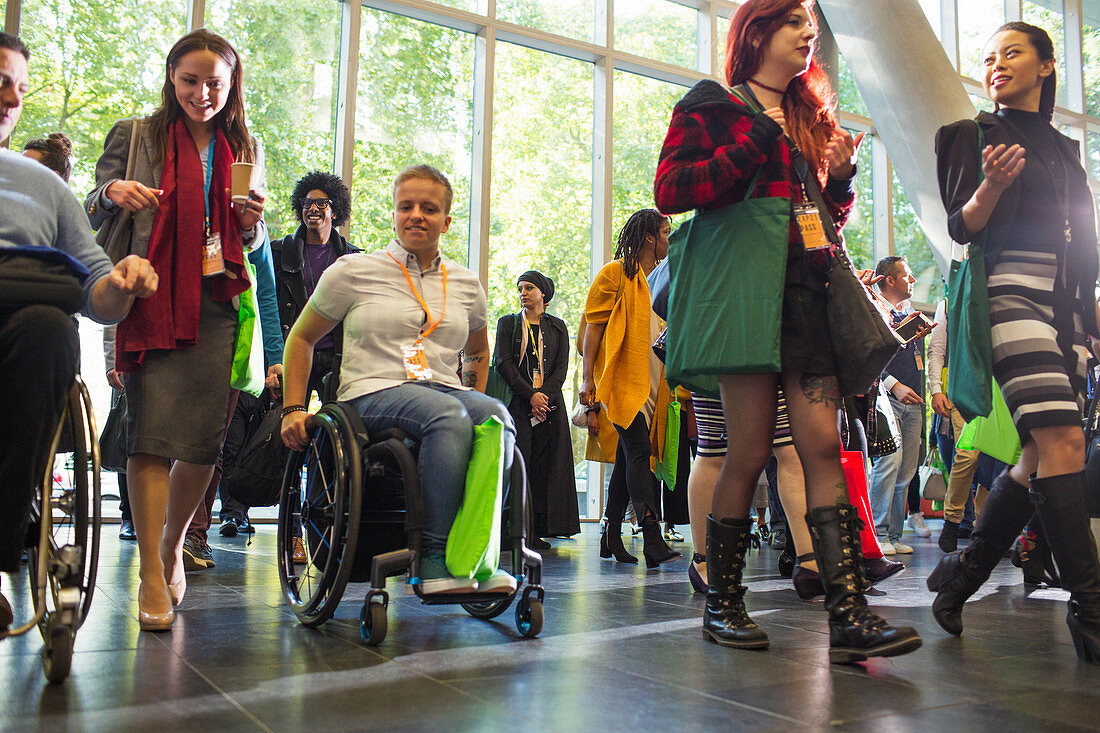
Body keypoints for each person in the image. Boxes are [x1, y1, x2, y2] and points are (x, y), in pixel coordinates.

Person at [654, 0, 920, 662]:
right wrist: (753, 139)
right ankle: (723, 602)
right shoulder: (712, 104)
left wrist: (845, 178)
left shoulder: (808, 116)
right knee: (745, 453)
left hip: (807, 296)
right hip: (745, 294)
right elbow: (671, 189)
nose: (809, 34)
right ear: (759, 30)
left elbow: (821, 215)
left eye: (810, 25)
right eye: (795, 22)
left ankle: (849, 612)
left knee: (821, 449)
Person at [84, 29, 267, 632]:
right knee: (151, 437)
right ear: (172, 78)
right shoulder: (138, 134)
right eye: (190, 80)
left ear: (231, 84)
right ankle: (149, 575)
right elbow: (88, 209)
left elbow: (252, 240)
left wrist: (252, 224)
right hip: (149, 294)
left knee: (202, 442)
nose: (202, 93)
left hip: (217, 300)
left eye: (215, 82)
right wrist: (113, 192)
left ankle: (170, 546)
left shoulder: (244, 142)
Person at [929, 21, 1100, 664]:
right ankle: (1091, 610)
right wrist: (991, 187)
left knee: (1036, 458)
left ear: (1046, 65)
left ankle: (958, 585)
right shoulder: (968, 137)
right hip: (1006, 299)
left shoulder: (1064, 149)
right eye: (989, 56)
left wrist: (1088, 319)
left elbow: (1080, 243)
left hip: (1062, 310)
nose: (996, 64)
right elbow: (961, 226)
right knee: (1064, 441)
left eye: (1013, 52)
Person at [280, 164, 517, 596]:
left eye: (429, 208)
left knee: (495, 418)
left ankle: (476, 555)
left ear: (446, 221)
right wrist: (294, 408)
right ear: (393, 215)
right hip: (370, 392)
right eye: (406, 206)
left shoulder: (465, 284)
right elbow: (302, 337)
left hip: (441, 388)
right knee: (448, 416)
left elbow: (479, 350)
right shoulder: (353, 271)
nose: (416, 215)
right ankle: (432, 559)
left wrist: (473, 397)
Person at [0, 32, 157, 632]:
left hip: (23, 327)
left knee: (51, 328)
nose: (12, 99)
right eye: (1, 81)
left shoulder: (45, 187)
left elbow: (95, 287)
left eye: (19, 86)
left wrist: (122, 280)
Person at [581, 209, 681, 569]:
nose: (670, 239)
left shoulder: (665, 279)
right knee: (639, 454)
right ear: (651, 237)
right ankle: (652, 537)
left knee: (629, 460)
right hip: (622, 383)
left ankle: (610, 533)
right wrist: (587, 379)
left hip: (655, 384)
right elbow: (593, 329)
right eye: (666, 232)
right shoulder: (616, 274)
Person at [493, 270, 580, 550]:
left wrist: (544, 397)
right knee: (521, 464)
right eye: (520, 288)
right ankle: (514, 530)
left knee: (547, 467)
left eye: (529, 288)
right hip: (519, 404)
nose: (523, 293)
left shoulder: (557, 327)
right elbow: (503, 363)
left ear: (543, 293)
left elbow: (561, 369)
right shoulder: (507, 324)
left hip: (550, 405)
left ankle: (537, 530)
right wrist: (531, 396)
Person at [867, 256, 929, 555]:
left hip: (915, 401)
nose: (913, 280)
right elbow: (871, 358)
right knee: (888, 464)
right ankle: (876, 533)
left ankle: (893, 534)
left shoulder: (910, 313)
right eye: (907, 274)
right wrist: (895, 385)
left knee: (906, 471)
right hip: (886, 397)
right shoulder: (877, 312)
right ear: (889, 279)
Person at [927, 298, 982, 552]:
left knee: (1000, 459)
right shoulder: (949, 303)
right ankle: (952, 520)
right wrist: (936, 389)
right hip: (962, 390)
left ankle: (986, 526)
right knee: (967, 456)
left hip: (997, 390)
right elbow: (936, 350)